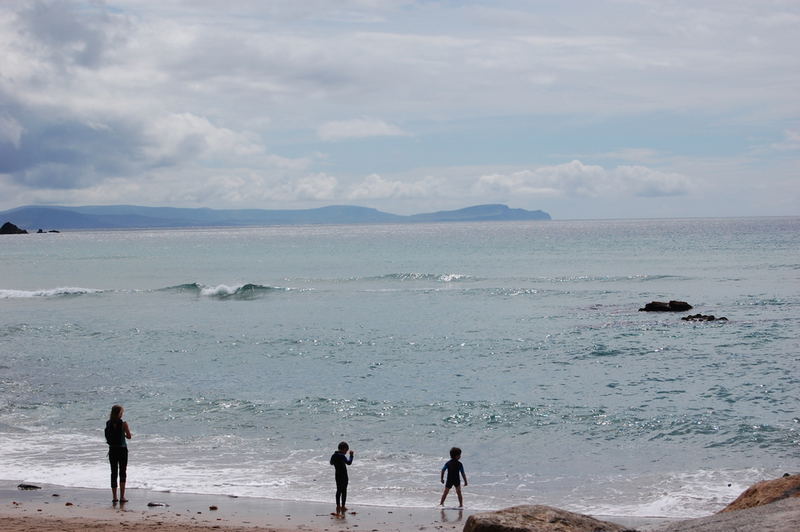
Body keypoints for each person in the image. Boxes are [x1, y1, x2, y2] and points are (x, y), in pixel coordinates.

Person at [105, 404, 132, 503]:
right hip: (122, 450)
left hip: (112, 450)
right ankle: (122, 497)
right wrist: (124, 434)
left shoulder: (108, 423)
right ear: (120, 413)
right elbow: (129, 436)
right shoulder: (124, 424)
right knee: (122, 472)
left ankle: (114, 497)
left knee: (113, 472)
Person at [330, 441, 354, 516]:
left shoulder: (334, 455)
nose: (346, 452)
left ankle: (338, 506)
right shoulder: (342, 456)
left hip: (337, 475)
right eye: (346, 450)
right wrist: (351, 455)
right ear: (344, 449)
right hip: (343, 475)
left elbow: (331, 463)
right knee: (344, 491)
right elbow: (349, 463)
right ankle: (343, 506)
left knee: (338, 490)